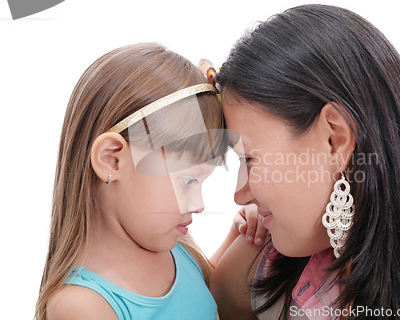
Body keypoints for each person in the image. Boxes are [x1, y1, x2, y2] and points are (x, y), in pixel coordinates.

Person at [212, 5, 400, 320]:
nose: (240, 195)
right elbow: (202, 306)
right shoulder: (275, 252)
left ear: (335, 138)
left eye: (248, 159)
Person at [35, 42, 265, 320]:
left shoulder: (175, 244)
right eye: (189, 181)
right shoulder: (82, 305)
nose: (199, 204)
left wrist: (240, 234)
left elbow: (206, 300)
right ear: (112, 159)